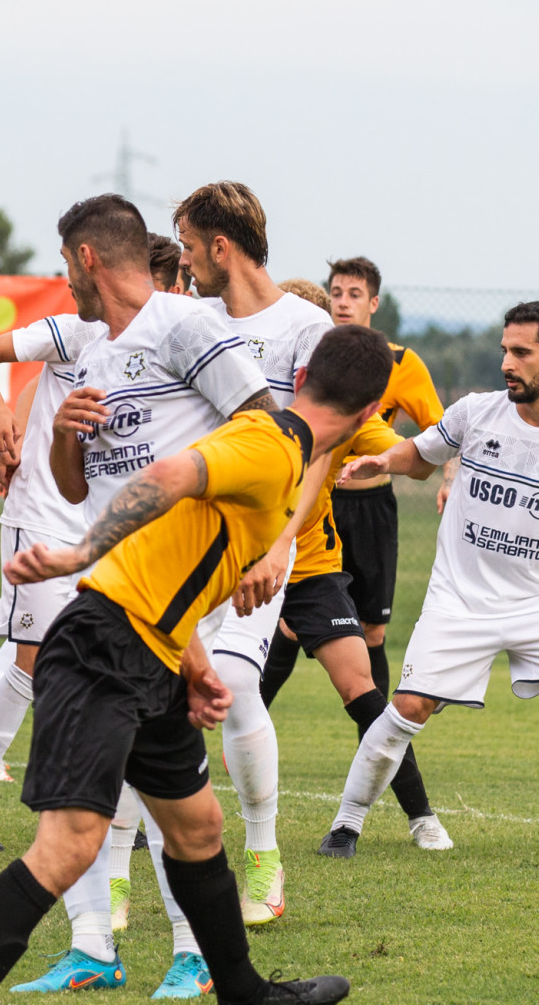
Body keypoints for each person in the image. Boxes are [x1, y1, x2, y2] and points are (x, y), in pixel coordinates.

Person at [0, 324, 390, 1005]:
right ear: (370, 413)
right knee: (66, 849)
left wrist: (196, 662)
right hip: (104, 648)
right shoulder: (270, 442)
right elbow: (168, 475)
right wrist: (79, 552)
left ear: (302, 380)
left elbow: (178, 554)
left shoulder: (289, 458)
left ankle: (245, 994)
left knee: (198, 827)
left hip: (156, 653)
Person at [0, 195, 273, 995]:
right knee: (181, 815)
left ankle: (184, 957)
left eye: (64, 264)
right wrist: (64, 431)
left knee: (92, 828)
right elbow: (78, 488)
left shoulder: (187, 325)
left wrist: (264, 544)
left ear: (87, 259)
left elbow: (265, 428)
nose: (64, 281)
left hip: (162, 597)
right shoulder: (96, 354)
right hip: (132, 603)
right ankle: (188, 968)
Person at [323, 302, 539, 859]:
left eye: (521, 353)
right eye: (504, 351)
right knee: (409, 707)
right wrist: (383, 462)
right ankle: (346, 826)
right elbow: (421, 455)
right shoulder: (475, 413)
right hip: (460, 599)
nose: (506, 364)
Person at [174, 181, 332, 926]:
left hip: (258, 539)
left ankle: (264, 856)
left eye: (187, 246)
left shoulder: (307, 327)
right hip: (181, 537)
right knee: (152, 694)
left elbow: (317, 448)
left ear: (221, 246)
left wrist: (280, 543)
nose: (182, 261)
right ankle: (121, 882)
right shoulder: (187, 319)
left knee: (235, 682)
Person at [256, 280, 451, 852]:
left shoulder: (347, 412)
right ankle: (134, 822)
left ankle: (421, 816)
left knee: (361, 687)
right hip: (235, 564)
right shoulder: (250, 399)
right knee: (199, 691)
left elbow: (414, 460)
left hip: (310, 568)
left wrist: (390, 459)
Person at [325, 256, 451, 699]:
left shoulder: (400, 362)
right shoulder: (313, 352)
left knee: (372, 629)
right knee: (290, 623)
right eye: (336, 293)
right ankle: (247, 722)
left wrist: (449, 478)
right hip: (320, 503)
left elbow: (442, 431)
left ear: (373, 303)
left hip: (372, 508)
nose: (343, 303)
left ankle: (376, 733)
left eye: (354, 294)